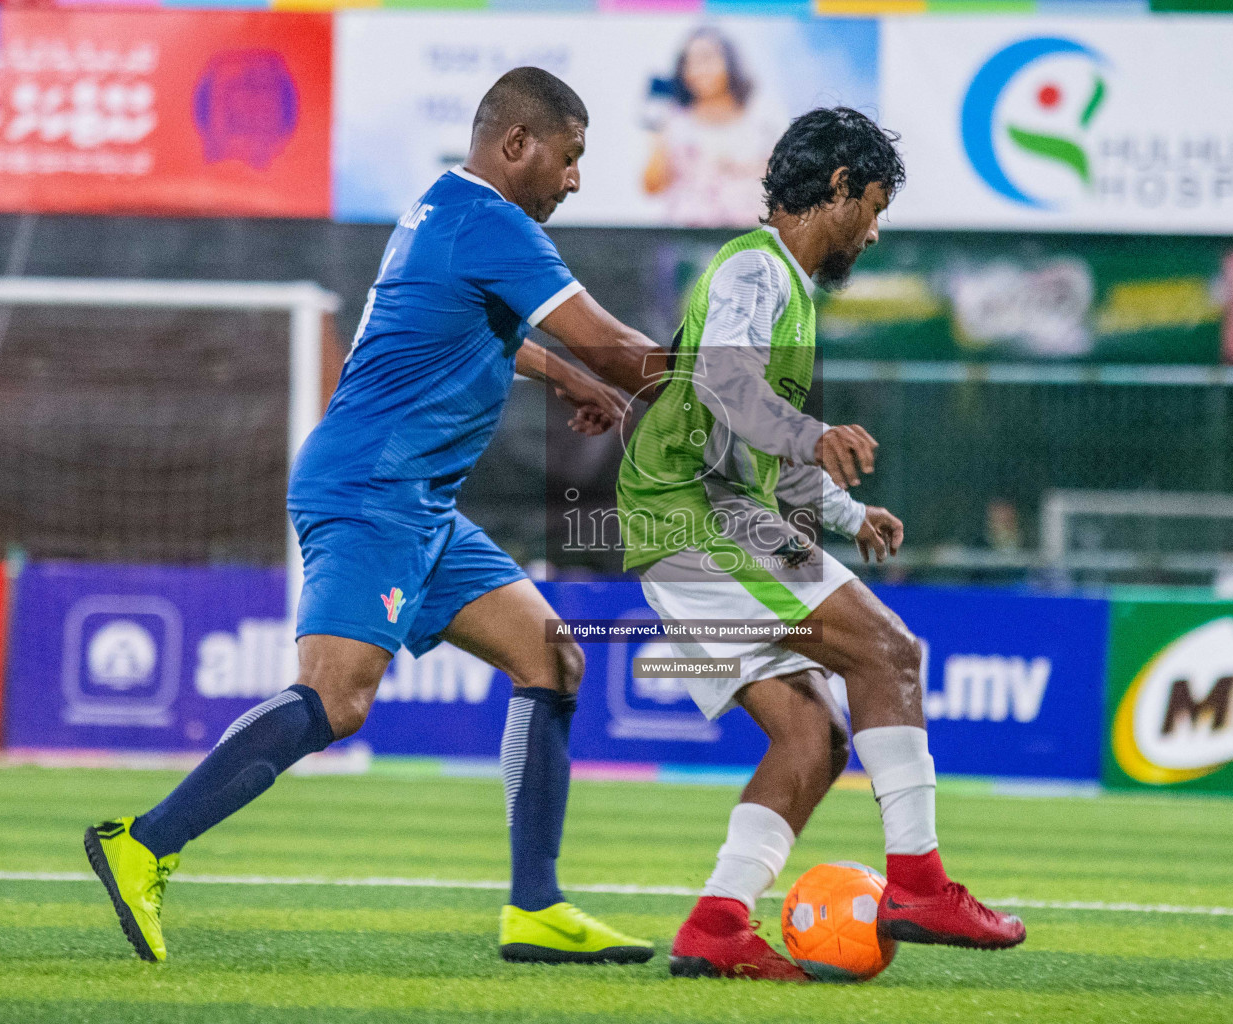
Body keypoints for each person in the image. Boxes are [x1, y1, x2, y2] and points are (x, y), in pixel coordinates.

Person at [85, 67, 669, 967]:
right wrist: (733, 398)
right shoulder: (494, 226)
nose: (576, 178)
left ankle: (536, 908)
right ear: (518, 144)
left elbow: (457, 335)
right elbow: (625, 349)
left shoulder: (438, 210)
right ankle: (142, 844)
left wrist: (568, 379)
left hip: (416, 497)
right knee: (338, 698)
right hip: (373, 490)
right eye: (572, 155)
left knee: (549, 655)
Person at [617, 107, 1027, 982]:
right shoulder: (753, 268)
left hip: (703, 515)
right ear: (838, 187)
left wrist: (845, 514)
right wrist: (810, 436)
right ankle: (918, 882)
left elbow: (759, 438)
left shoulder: (789, 293)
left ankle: (718, 925)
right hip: (694, 516)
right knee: (890, 652)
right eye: (873, 207)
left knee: (813, 739)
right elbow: (729, 388)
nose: (874, 232)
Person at [642, 26, 785, 228]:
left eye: (706, 58)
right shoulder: (675, 122)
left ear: (730, 62)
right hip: (690, 243)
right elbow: (651, 186)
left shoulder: (762, 119)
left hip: (751, 239)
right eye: (688, 62)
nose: (697, 70)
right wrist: (656, 133)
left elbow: (786, 184)